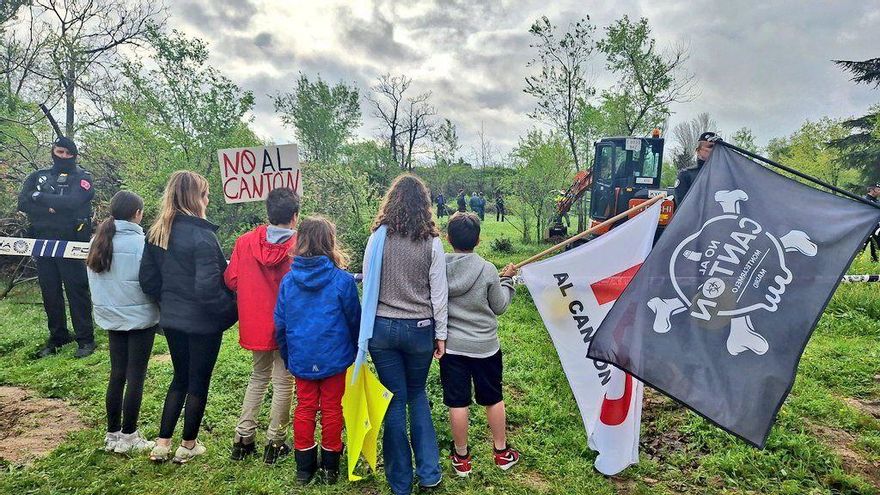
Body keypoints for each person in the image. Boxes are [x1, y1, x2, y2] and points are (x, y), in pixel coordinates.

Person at [139, 171, 238, 464]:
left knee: (179, 378)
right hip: (203, 323)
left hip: (173, 319)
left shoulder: (156, 234)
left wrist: (168, 302)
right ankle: (188, 445)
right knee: (198, 382)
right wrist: (231, 309)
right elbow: (208, 288)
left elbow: (148, 280)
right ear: (196, 198)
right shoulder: (203, 236)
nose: (208, 200)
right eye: (205, 194)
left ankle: (162, 444)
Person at [364, 174, 447, 495]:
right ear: (424, 205)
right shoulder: (432, 242)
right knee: (417, 394)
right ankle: (429, 473)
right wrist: (441, 334)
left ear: (392, 202)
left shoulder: (377, 238)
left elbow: (369, 284)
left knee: (395, 399)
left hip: (382, 330)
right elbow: (438, 293)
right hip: (420, 330)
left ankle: (400, 482)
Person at [274, 216, 360, 485]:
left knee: (305, 407)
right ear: (330, 242)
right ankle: (330, 467)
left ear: (300, 241)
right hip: (335, 356)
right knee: (333, 408)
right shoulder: (343, 281)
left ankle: (304, 468)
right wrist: (355, 351)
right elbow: (354, 320)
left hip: (302, 355)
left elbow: (280, 324)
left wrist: (289, 356)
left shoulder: (288, 282)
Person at [441, 212, 520, 477]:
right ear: (478, 239)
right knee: (493, 398)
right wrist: (507, 280)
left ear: (448, 238)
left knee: (457, 402)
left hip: (452, 347)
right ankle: (501, 453)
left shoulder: (439, 267)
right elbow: (499, 306)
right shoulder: (487, 269)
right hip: (485, 347)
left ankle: (462, 458)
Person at [225, 187, 299, 464]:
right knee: (284, 381)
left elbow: (231, 279)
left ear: (268, 213)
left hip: (256, 322)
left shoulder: (245, 242)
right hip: (288, 324)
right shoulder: (301, 244)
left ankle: (243, 439)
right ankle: (275, 442)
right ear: (295, 216)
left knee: (258, 377)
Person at [86, 191, 159, 454]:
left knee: (117, 374)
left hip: (111, 316)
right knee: (135, 376)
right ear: (138, 214)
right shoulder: (143, 244)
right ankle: (129, 436)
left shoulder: (97, 240)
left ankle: (112, 434)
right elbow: (150, 281)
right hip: (140, 318)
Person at [18, 136, 96, 358]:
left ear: (74, 155)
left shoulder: (83, 178)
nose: (63, 157)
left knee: (76, 290)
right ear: (53, 151)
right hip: (43, 241)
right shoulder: (38, 176)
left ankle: (85, 339)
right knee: (50, 291)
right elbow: (23, 203)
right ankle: (58, 336)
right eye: (60, 152)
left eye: (68, 153)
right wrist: (49, 208)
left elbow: (73, 202)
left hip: (70, 241)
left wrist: (39, 197)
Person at [674, 131, 717, 204]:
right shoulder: (686, 175)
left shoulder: (725, 174)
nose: (714, 150)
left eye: (717, 147)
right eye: (710, 147)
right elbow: (682, 205)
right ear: (698, 151)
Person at [863, 183, 879, 262]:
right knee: (860, 249)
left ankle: (874, 262)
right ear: (872, 190)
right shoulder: (864, 201)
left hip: (876, 230)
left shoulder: (877, 201)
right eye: (878, 190)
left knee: (876, 249)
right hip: (865, 229)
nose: (879, 192)